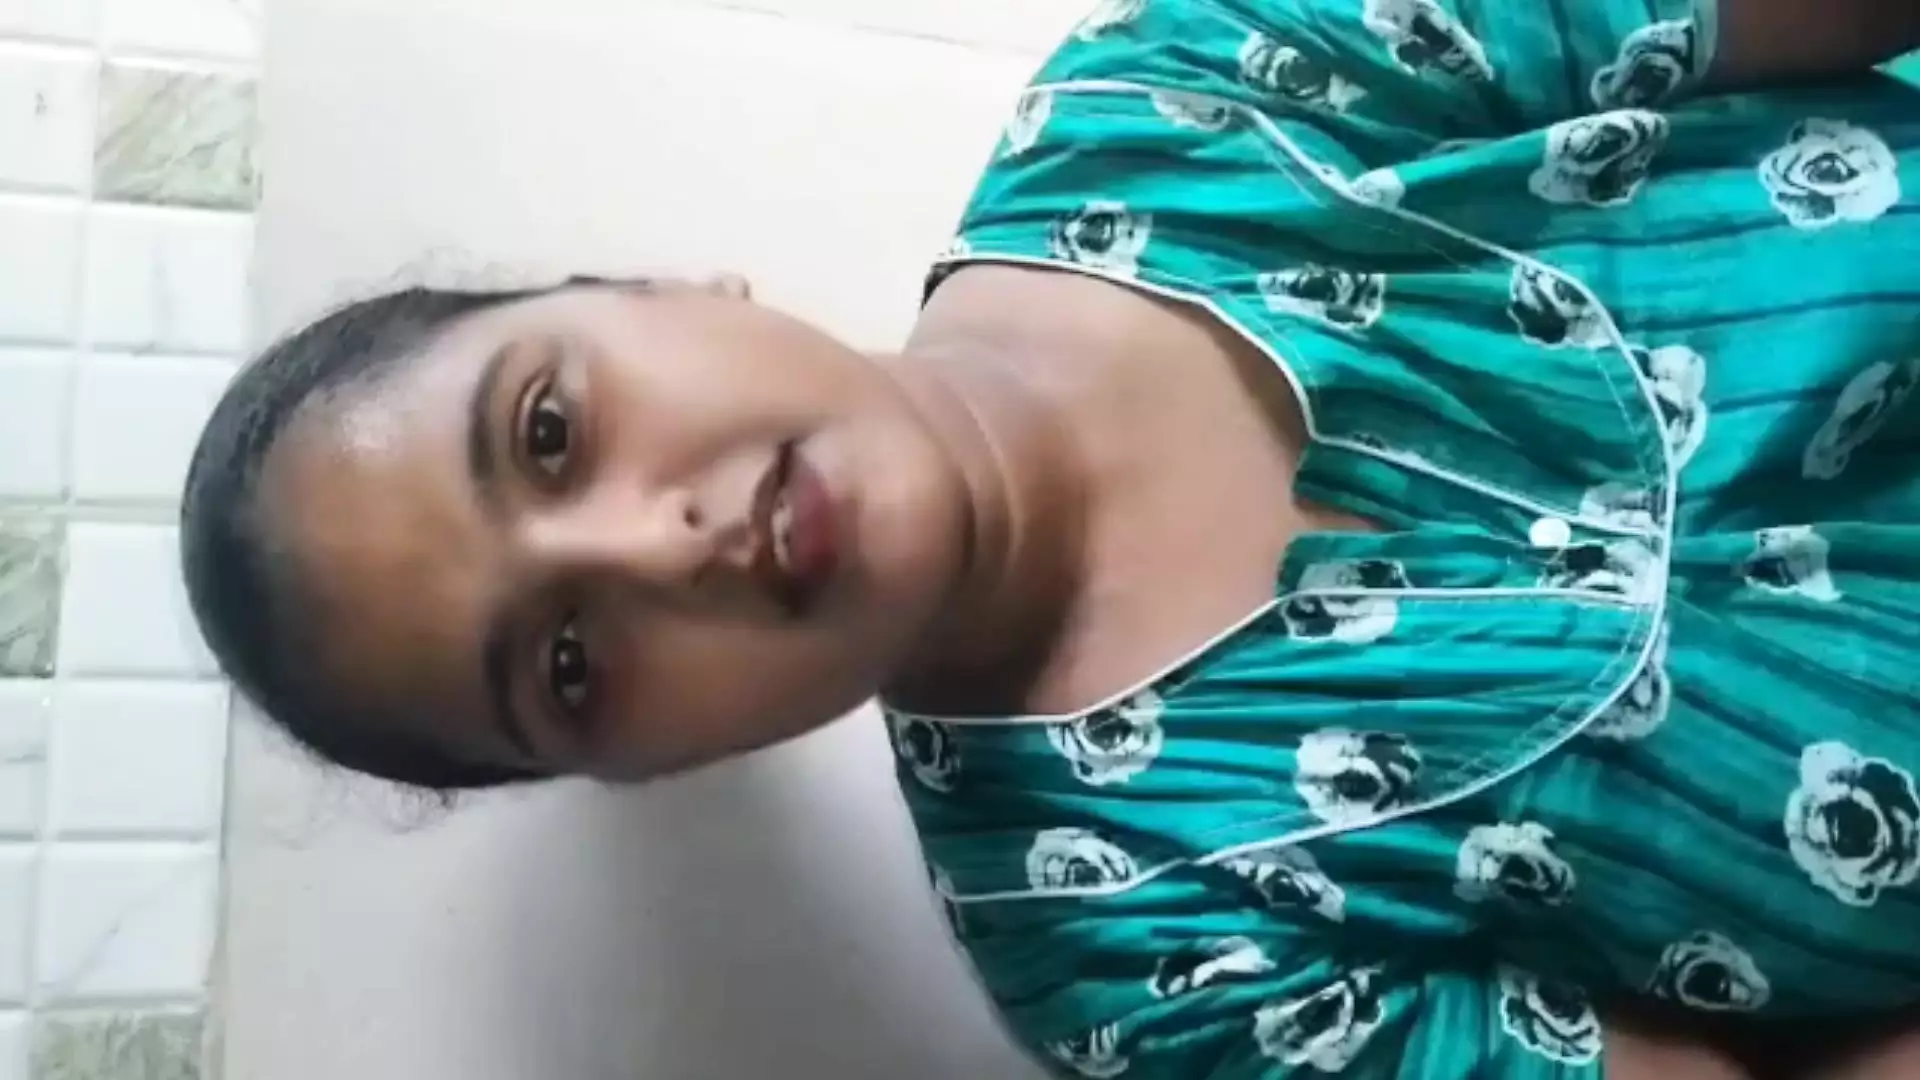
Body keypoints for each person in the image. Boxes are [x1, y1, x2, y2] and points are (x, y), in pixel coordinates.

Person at [180, 1, 1920, 1076]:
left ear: (653, 286)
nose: (664, 541)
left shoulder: (1177, 104)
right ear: (649, 761)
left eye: (551, 431)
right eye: (570, 664)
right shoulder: (1127, 961)